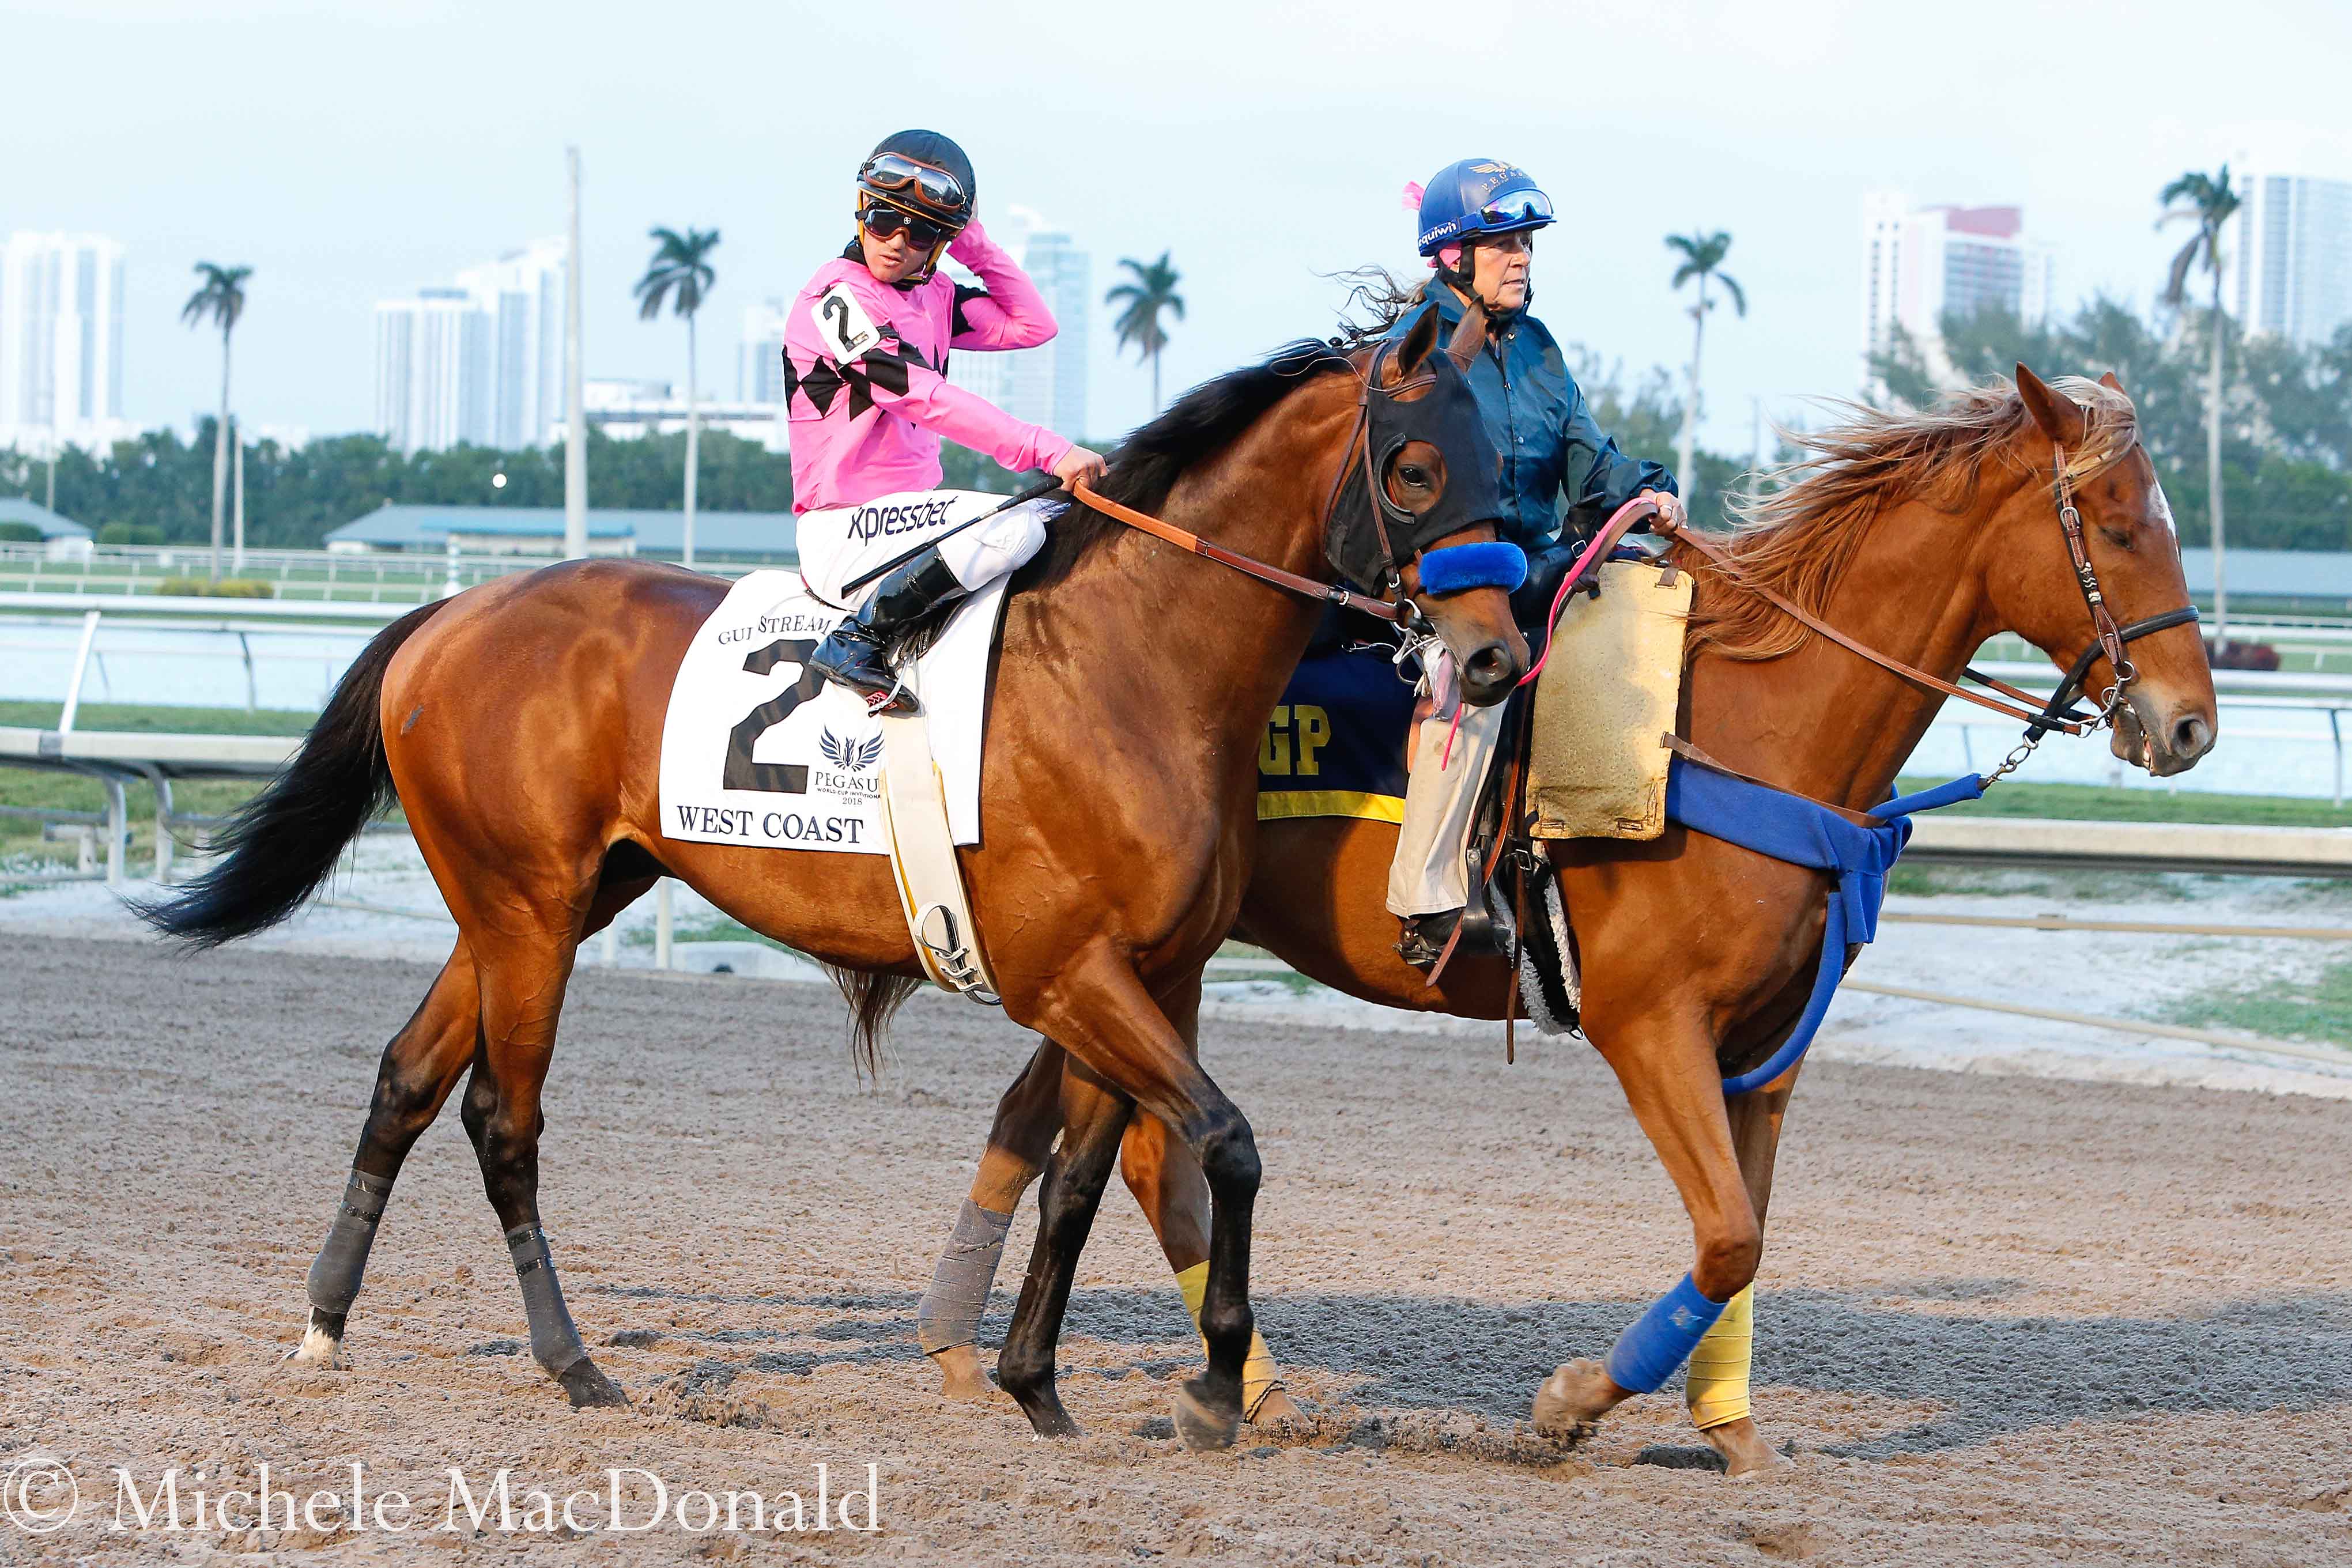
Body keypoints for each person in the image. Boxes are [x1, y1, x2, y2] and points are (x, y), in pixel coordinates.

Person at [1380, 158, 1683, 966]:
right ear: (1452, 257)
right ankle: (1428, 899)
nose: (1521, 258)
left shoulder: (1542, 350)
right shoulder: (1417, 354)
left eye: (1526, 244)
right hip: (1443, 584)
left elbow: (1590, 457)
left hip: (1539, 570)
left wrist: (1651, 493)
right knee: (1470, 675)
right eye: (1503, 243)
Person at [783, 130, 1107, 713]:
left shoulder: (934, 294)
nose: (897, 243)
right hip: (844, 531)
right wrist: (1045, 449)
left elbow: (1032, 326)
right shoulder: (833, 299)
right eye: (883, 220)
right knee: (1014, 528)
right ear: (862, 211)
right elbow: (916, 395)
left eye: (922, 232)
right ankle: (858, 638)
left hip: (909, 524)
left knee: (1058, 515)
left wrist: (973, 242)